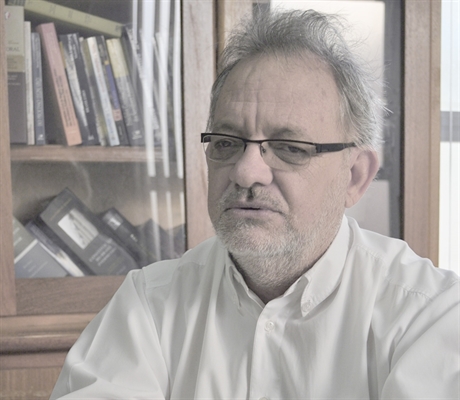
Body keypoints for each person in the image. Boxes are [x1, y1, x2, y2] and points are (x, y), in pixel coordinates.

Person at [51, 9, 459, 400]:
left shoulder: (427, 315)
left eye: (289, 147)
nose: (246, 172)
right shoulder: (148, 304)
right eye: (226, 143)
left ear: (354, 177)